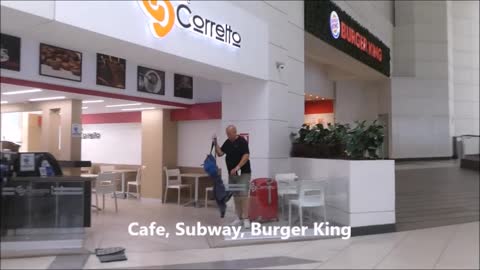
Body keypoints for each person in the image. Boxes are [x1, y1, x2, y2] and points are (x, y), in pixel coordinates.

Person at [213, 125, 251, 229]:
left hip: (243, 173)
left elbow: (246, 156)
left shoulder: (242, 141)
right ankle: (239, 218)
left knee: (243, 195)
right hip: (232, 175)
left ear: (235, 132)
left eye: (230, 134)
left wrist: (237, 167)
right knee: (236, 195)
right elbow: (220, 153)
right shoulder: (228, 142)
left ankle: (246, 218)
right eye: (227, 134)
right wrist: (215, 143)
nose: (228, 136)